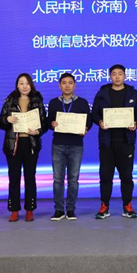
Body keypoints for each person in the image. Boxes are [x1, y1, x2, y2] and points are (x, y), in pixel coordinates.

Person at [91, 64, 137, 219]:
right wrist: (100, 121)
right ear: (110, 76)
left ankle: (127, 206)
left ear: (125, 76)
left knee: (126, 175)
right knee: (105, 176)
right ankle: (104, 206)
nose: (117, 77)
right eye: (114, 74)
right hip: (107, 142)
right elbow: (94, 113)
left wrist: (136, 123)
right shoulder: (102, 93)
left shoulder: (133, 93)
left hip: (126, 141)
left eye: (120, 74)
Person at [0, 73, 46, 222]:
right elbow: (0, 122)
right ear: (17, 85)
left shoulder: (37, 101)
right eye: (21, 83)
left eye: (27, 83)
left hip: (31, 144)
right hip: (13, 144)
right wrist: (7, 119)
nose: (24, 86)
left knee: (30, 178)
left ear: (31, 85)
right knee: (14, 178)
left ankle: (30, 209)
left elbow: (44, 123)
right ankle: (14, 210)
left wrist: (38, 131)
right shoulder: (10, 101)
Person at [46, 73, 92, 221]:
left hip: (76, 145)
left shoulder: (82, 102)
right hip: (58, 144)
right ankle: (59, 210)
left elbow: (89, 121)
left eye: (70, 83)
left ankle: (71, 209)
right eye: (64, 83)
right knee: (57, 179)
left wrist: (85, 128)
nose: (67, 86)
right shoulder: (53, 102)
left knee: (73, 179)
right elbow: (48, 121)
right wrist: (52, 123)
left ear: (75, 85)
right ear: (59, 85)